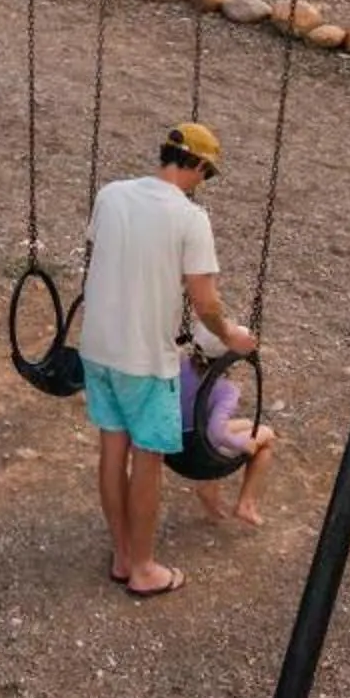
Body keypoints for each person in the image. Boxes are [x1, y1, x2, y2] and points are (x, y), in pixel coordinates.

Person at [75, 120, 257, 600]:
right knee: (148, 457)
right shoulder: (190, 219)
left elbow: (109, 254)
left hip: (97, 345)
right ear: (195, 164)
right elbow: (206, 303)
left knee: (112, 448)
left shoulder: (111, 194)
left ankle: (121, 555)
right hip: (142, 357)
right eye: (207, 173)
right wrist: (231, 336)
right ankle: (144, 568)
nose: (203, 182)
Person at [182, 320, 279, 528]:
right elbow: (216, 433)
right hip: (197, 453)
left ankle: (209, 487)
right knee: (267, 436)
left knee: (245, 423)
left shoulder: (179, 368)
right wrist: (240, 444)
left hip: (174, 444)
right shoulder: (225, 390)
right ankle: (246, 503)